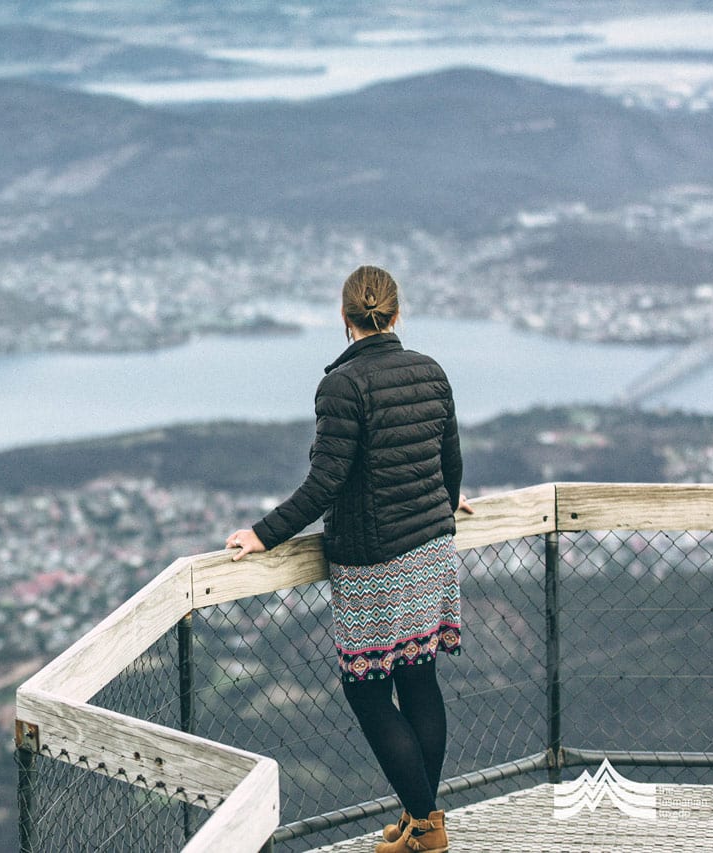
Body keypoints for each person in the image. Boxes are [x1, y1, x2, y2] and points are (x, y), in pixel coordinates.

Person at [225, 265, 472, 853]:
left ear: (345, 318)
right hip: (433, 547)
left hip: (374, 562)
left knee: (366, 692)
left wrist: (264, 533)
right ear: (396, 312)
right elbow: (450, 459)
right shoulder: (430, 371)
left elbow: (325, 483)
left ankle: (424, 825)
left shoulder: (343, 386)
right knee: (420, 681)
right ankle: (422, 824)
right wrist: (448, 499)